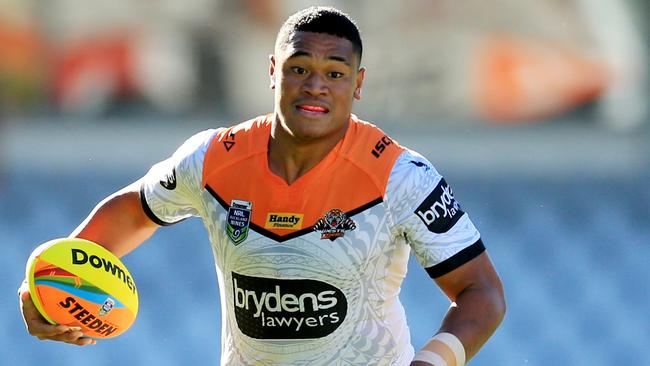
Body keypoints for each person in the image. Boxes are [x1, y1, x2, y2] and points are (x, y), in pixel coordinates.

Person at [19, 6, 505, 366]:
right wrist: (48, 284)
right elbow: (132, 211)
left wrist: (430, 363)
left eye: (334, 73)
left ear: (357, 85)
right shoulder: (212, 158)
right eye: (299, 69)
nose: (315, 85)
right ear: (274, 72)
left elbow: (482, 293)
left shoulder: (401, 176)